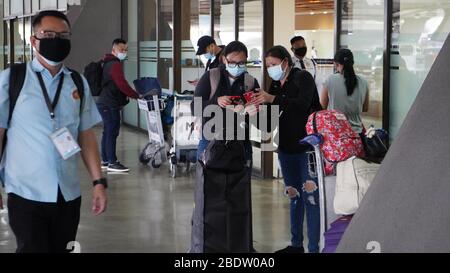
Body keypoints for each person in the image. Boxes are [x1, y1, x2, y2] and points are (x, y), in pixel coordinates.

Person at [0, 10, 107, 253]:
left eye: (63, 35)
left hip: (67, 194)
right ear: (33, 39)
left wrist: (98, 182)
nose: (56, 39)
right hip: (25, 192)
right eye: (48, 34)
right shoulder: (12, 79)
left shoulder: (77, 82)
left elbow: (86, 135)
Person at [252, 45, 322, 253]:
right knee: (294, 197)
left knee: (311, 199)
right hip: (286, 148)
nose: (271, 69)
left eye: (273, 64)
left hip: (307, 149)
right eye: (267, 66)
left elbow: (302, 104)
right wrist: (253, 112)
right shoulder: (275, 85)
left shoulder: (303, 78)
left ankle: (314, 249)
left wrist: (272, 99)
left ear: (285, 61)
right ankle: (296, 245)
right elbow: (268, 124)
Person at [96, 38, 140, 172]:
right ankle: (112, 162)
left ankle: (105, 160)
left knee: (107, 131)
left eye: (126, 50)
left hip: (103, 102)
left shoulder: (106, 62)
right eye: (122, 50)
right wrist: (136, 95)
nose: (124, 52)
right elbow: (121, 83)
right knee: (111, 132)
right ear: (114, 50)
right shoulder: (114, 64)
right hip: (110, 103)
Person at [320, 48, 369, 134]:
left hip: (336, 135)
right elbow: (365, 108)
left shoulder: (330, 80)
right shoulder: (363, 81)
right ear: (352, 63)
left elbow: (322, 107)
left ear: (336, 64)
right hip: (357, 134)